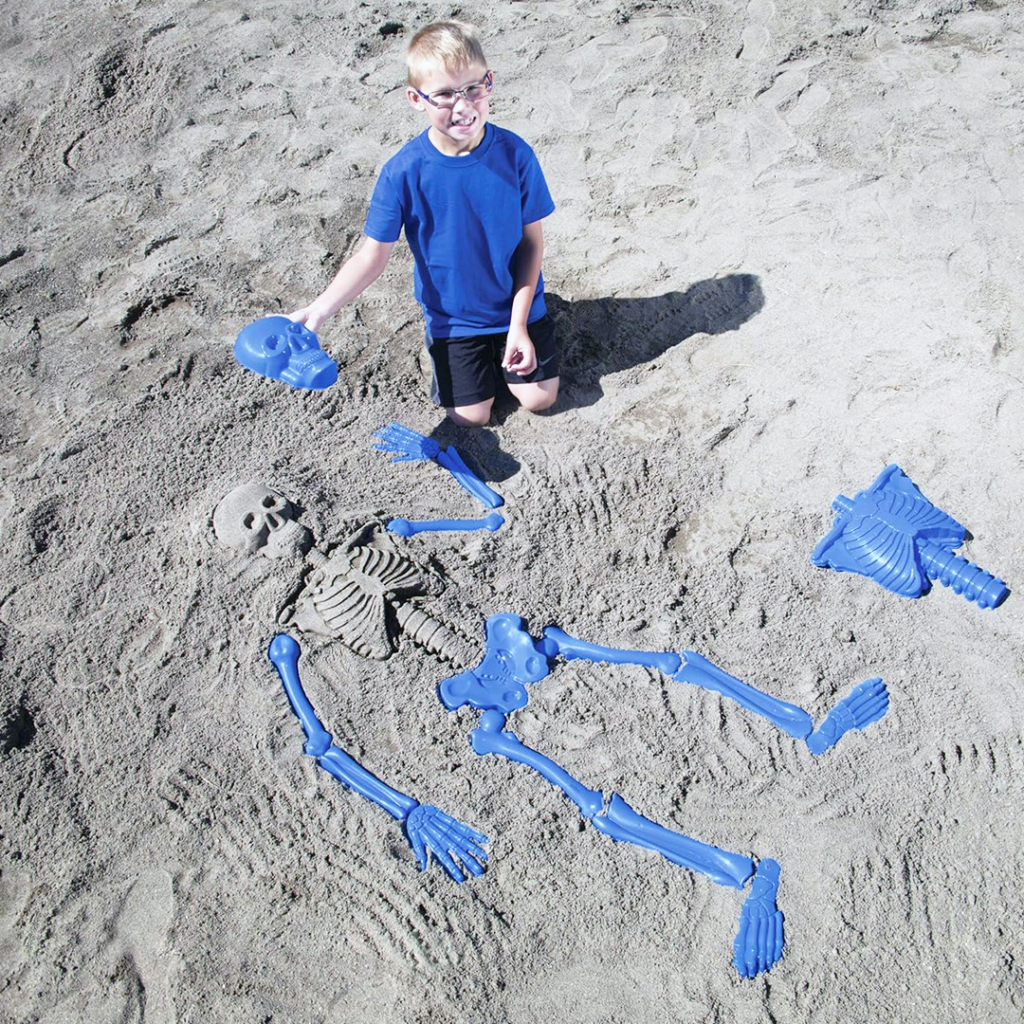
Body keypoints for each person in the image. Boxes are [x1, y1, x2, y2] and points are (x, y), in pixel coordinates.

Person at [289, 21, 559, 427]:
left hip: (515, 307)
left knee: (539, 399)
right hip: (454, 318)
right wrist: (319, 310)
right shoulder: (402, 172)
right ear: (416, 98)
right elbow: (371, 257)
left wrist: (518, 325)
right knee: (472, 418)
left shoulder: (516, 154)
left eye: (474, 88)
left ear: (490, 82)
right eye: (446, 95)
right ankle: (452, 355)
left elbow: (531, 245)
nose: (463, 105)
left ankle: (517, 336)